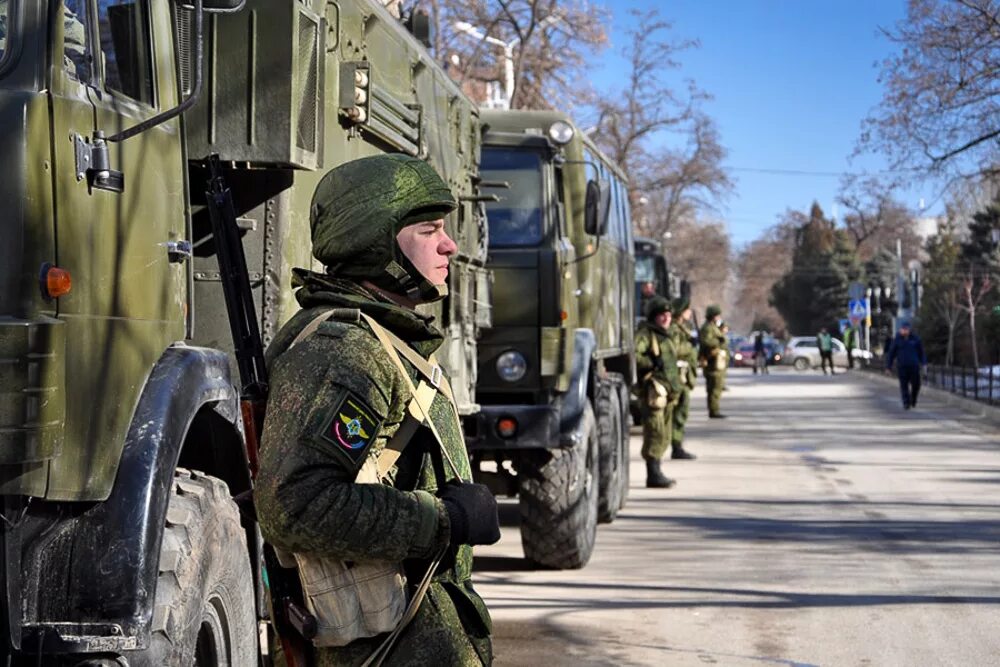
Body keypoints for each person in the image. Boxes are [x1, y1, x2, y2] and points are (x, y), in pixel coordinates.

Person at [255, 154, 499, 666]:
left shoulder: (382, 339)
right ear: (376, 240)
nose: (449, 244)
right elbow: (296, 505)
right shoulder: (346, 352)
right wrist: (445, 520)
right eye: (429, 228)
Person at [634, 296, 681, 487]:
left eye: (668, 315)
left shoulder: (666, 335)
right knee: (655, 432)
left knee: (664, 433)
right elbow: (635, 355)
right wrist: (650, 362)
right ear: (654, 316)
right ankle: (652, 474)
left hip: (668, 391)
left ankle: (658, 471)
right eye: (662, 315)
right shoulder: (646, 335)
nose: (666, 319)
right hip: (654, 391)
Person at [667, 298, 698, 460]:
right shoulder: (674, 329)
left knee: (682, 411)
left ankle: (677, 444)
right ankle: (675, 445)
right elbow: (675, 349)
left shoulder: (683, 328)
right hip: (676, 376)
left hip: (683, 376)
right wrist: (690, 346)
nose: (690, 313)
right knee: (676, 413)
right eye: (687, 310)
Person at [884, 320, 927, 410]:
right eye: (903, 329)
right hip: (902, 366)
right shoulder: (897, 340)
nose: (904, 331)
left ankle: (913, 398)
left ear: (909, 329)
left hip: (914, 366)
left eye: (906, 329)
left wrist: (923, 364)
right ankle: (906, 402)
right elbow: (891, 354)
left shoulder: (915, 339)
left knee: (916, 384)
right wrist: (888, 367)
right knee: (904, 385)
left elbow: (921, 352)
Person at [698, 305, 728, 418]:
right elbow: (706, 342)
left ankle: (715, 408)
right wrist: (718, 340)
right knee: (714, 388)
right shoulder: (707, 328)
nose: (719, 317)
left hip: (716, 362)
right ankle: (713, 410)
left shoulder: (713, 327)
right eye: (717, 315)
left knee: (717, 387)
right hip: (711, 362)